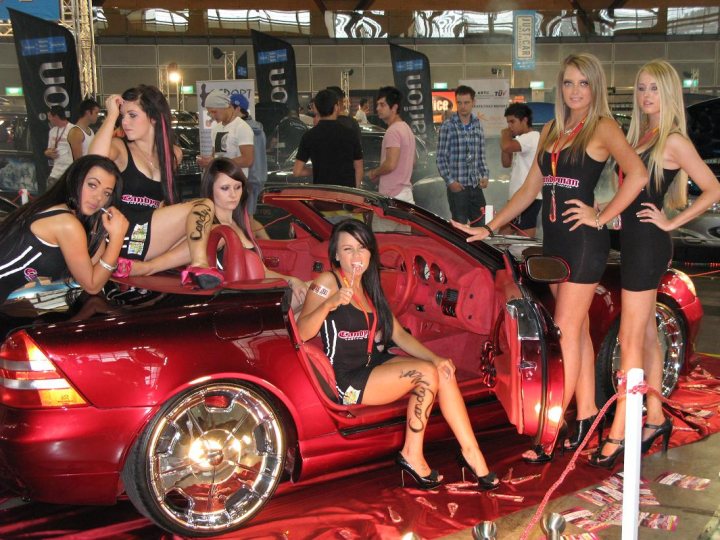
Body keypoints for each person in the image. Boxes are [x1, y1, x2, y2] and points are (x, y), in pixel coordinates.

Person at [453, 53, 649, 463]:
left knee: (562, 332)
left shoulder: (603, 127)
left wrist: (603, 214)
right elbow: (528, 190)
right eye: (568, 83)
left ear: (594, 87)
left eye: (583, 84)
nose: (575, 91)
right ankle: (588, 415)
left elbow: (639, 174)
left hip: (583, 243)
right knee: (574, 333)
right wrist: (489, 228)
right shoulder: (553, 130)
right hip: (554, 242)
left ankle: (552, 431)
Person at [297, 219, 498, 491]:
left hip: (373, 363)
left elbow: (398, 334)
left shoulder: (368, 284)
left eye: (362, 248)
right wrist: (329, 304)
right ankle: (412, 455)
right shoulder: (326, 282)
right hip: (348, 380)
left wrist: (436, 358)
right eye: (348, 249)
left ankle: (472, 453)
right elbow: (301, 332)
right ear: (335, 254)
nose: (357, 256)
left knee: (441, 370)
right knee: (424, 374)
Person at [589, 60, 720, 468]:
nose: (646, 97)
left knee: (630, 338)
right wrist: (610, 211)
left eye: (654, 90)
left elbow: (713, 188)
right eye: (642, 89)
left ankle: (622, 430)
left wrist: (670, 221)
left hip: (648, 244)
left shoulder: (673, 140)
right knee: (644, 335)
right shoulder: (642, 135)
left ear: (668, 94)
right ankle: (656, 418)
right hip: (633, 240)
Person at [119, 158, 308, 310]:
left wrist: (293, 280)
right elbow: (177, 255)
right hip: (236, 304)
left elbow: (261, 271)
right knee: (323, 290)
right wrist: (147, 267)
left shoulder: (239, 224)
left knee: (318, 287)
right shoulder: (209, 229)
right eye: (225, 188)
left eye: (237, 187)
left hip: (257, 295)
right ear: (210, 190)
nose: (233, 194)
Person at [90, 85, 221, 289]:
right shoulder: (120, 148)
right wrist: (110, 116)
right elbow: (93, 162)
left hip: (150, 238)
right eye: (122, 116)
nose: (125, 122)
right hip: (124, 235)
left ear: (153, 117)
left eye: (132, 115)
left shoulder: (173, 154)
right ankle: (198, 265)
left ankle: (146, 267)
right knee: (204, 205)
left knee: (217, 233)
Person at [0, 155, 128, 304]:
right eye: (92, 185)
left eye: (106, 193)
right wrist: (117, 238)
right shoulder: (66, 223)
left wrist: (101, 227)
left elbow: (95, 268)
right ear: (75, 180)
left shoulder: (60, 209)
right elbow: (92, 285)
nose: (98, 197)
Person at [437, 85, 490, 226]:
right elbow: (441, 158)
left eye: (466, 102)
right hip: (458, 187)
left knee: (482, 225)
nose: (462, 106)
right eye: (459, 102)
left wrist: (485, 175)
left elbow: (480, 154)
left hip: (475, 186)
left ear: (473, 102)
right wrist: (450, 182)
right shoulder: (447, 126)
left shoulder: (477, 124)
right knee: (459, 228)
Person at [293, 89, 363, 188]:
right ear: (336, 107)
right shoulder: (350, 134)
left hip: (322, 195)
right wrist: (355, 192)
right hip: (346, 195)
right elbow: (358, 167)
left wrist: (319, 169)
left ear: (316, 108)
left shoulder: (309, 136)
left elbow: (297, 172)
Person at [368, 86, 416, 203]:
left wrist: (374, 173)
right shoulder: (406, 128)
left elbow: (390, 164)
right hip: (405, 193)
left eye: (382, 105)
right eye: (378, 104)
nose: (378, 108)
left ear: (394, 107)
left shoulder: (393, 131)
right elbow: (413, 161)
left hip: (392, 195)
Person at [499, 103, 541, 237]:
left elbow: (506, 146)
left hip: (528, 198)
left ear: (525, 120)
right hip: (518, 198)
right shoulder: (520, 140)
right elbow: (506, 163)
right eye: (507, 122)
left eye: (512, 121)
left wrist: (505, 135)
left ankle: (528, 257)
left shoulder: (532, 137)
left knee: (523, 240)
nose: (509, 126)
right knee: (503, 238)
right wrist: (507, 140)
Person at [197, 89, 254, 178]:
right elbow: (216, 156)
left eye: (214, 111)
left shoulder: (242, 127)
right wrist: (207, 162)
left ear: (226, 107)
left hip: (236, 181)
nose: (211, 116)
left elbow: (248, 160)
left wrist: (217, 162)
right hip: (219, 180)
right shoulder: (216, 128)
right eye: (209, 112)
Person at [230, 93, 268, 216]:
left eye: (229, 108)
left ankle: (259, 236)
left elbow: (248, 158)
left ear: (237, 108)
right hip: (256, 177)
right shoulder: (258, 128)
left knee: (246, 220)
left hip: (248, 178)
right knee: (248, 218)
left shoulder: (244, 129)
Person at [45, 105, 75, 186]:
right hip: (56, 171)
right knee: (50, 194)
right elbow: (48, 150)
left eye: (50, 116)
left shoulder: (73, 130)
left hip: (69, 172)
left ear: (56, 116)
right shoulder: (52, 131)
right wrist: (48, 153)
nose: (49, 119)